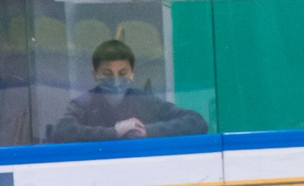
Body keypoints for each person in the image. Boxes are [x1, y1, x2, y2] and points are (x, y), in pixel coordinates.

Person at [45, 39, 210, 143]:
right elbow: (61, 130)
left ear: (132, 73)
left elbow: (196, 121)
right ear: (94, 74)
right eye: (107, 73)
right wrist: (114, 132)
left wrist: (148, 131)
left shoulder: (145, 101)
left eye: (122, 72)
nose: (116, 78)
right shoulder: (84, 103)